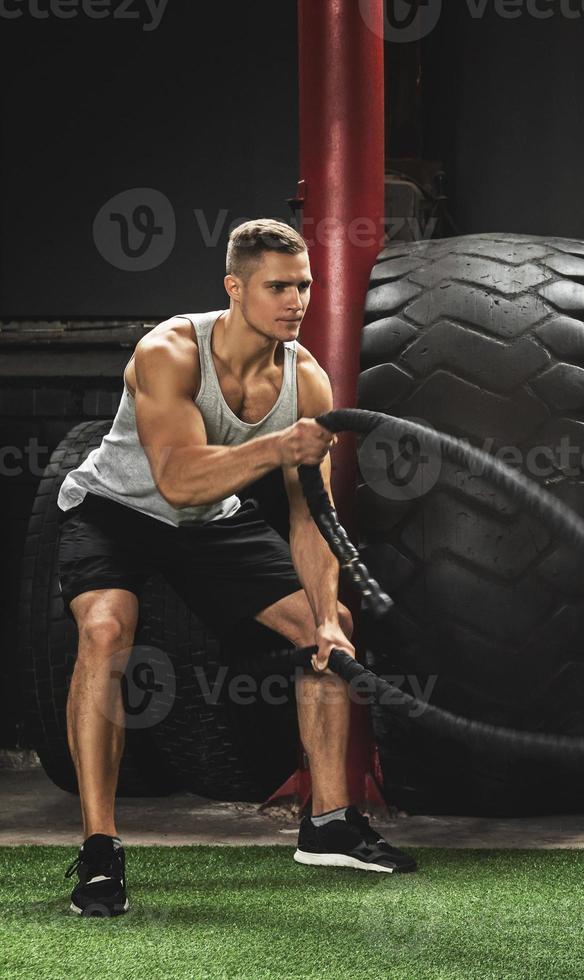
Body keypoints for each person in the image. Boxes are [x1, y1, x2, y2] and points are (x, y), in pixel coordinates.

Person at [57, 218, 416, 917]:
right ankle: (100, 849)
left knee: (329, 625)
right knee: (106, 630)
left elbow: (309, 515)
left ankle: (329, 822)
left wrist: (322, 616)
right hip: (118, 510)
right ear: (235, 288)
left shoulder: (305, 379)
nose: (296, 300)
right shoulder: (170, 351)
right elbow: (178, 481)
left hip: (208, 525)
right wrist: (281, 446)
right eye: (278, 286)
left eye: (304, 285)